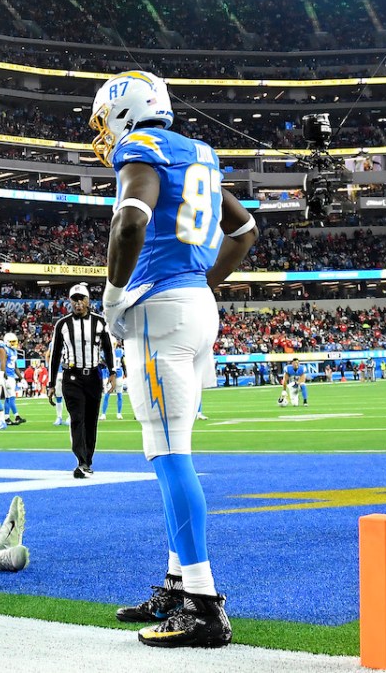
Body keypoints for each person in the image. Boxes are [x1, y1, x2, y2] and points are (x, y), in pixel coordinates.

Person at [91, 69, 257, 647]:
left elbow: (130, 219)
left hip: (159, 310)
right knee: (171, 449)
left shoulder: (140, 146)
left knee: (169, 455)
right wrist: (201, 282)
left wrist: (113, 295)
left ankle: (204, 605)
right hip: (193, 305)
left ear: (124, 110)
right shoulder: (201, 151)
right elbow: (247, 227)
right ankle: (177, 582)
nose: (104, 132)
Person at [48, 283, 115, 478]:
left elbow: (108, 348)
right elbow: (55, 354)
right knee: (77, 418)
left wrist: (112, 372)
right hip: (72, 376)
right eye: (74, 300)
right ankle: (81, 461)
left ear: (88, 301)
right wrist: (51, 383)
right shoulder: (62, 324)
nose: (78, 303)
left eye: (81, 299)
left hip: (94, 375)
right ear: (70, 301)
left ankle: (88, 460)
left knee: (91, 420)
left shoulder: (100, 322)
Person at [100, 339, 125, 421]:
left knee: (115, 394)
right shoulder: (120, 351)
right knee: (115, 394)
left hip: (113, 374)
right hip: (113, 374)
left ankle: (108, 414)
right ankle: (115, 414)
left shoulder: (106, 352)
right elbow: (123, 362)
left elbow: (102, 363)